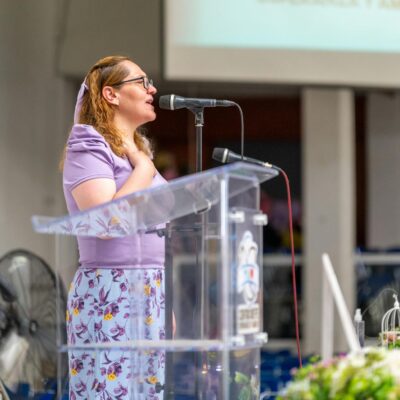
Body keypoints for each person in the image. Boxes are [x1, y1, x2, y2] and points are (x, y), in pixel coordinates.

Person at [62, 55, 166, 399]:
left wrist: (167, 301)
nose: (152, 89)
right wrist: (144, 169)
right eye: (141, 81)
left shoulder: (135, 154)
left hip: (151, 289)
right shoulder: (88, 144)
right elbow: (105, 221)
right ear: (111, 94)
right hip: (111, 290)